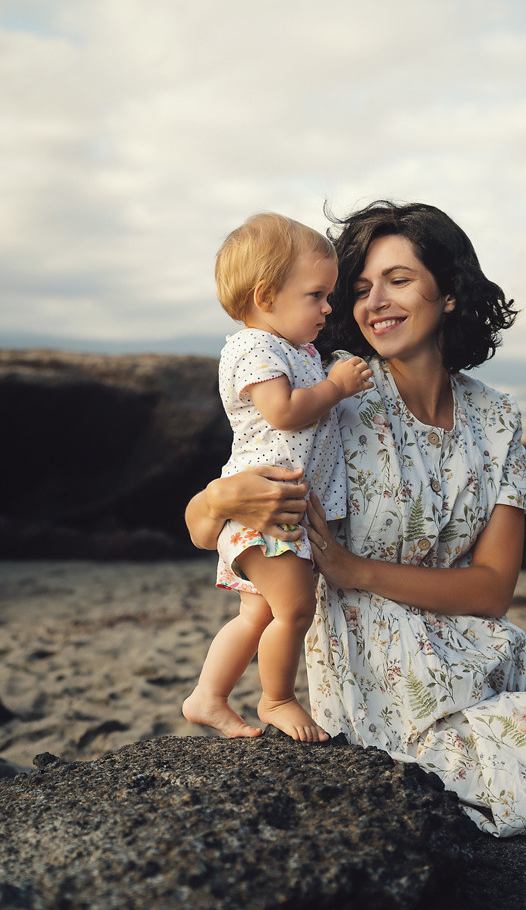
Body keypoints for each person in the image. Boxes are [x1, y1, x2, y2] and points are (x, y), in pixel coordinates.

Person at [185, 201, 526, 836]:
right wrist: (218, 500)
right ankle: (507, 797)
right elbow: (206, 521)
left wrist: (356, 569)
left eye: (399, 280)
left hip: (485, 654)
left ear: (450, 295)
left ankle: (520, 795)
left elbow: (493, 590)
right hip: (392, 688)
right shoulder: (338, 396)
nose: (375, 301)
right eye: (359, 289)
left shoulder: (496, 417)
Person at [183, 213, 372, 743]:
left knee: (257, 612)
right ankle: (277, 698)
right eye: (317, 295)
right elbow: (284, 411)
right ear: (267, 295)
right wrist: (336, 387)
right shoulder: (253, 349)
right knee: (294, 608)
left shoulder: (298, 350)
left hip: (279, 508)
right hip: (263, 505)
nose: (328, 308)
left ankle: (208, 696)